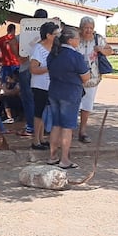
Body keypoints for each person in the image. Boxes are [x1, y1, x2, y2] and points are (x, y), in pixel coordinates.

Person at [46, 26, 91, 169]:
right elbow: (85, 77)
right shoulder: (76, 57)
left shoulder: (53, 54)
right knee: (67, 126)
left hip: (54, 91)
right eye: (77, 38)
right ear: (71, 40)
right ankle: (64, 159)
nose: (79, 41)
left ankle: (52, 156)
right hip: (70, 93)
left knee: (56, 124)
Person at [76, 16, 114, 144]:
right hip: (75, 78)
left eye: (90, 28)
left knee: (87, 105)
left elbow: (110, 50)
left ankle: (82, 131)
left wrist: (101, 50)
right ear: (81, 28)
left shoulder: (98, 39)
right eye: (86, 27)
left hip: (92, 78)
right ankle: (69, 131)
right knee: (73, 104)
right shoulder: (75, 38)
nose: (88, 30)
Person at [16, 9, 48, 137]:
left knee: (29, 100)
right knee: (42, 100)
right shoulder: (49, 31)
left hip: (26, 68)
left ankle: (31, 127)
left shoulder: (26, 31)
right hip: (43, 70)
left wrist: (20, 56)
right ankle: (41, 128)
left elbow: (13, 42)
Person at [29, 22, 59, 150]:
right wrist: (49, 68)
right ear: (48, 35)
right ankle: (35, 140)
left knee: (44, 113)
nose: (58, 36)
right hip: (39, 85)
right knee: (38, 113)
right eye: (55, 34)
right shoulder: (38, 49)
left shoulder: (55, 47)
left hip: (50, 85)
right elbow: (33, 69)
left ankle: (41, 138)